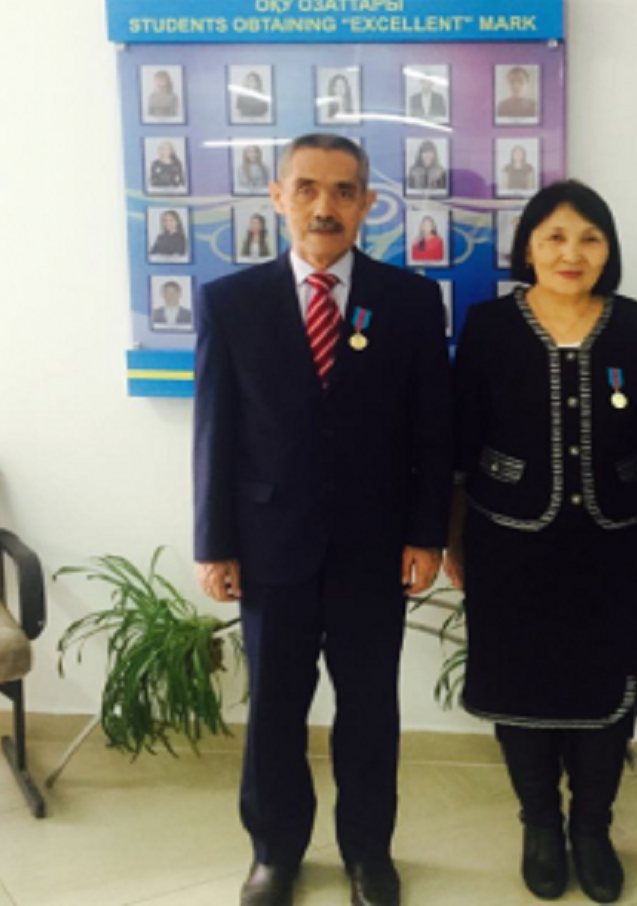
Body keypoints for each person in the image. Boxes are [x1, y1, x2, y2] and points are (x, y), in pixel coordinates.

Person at [193, 133, 451, 906]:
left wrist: (428, 533)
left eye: (343, 191)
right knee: (275, 708)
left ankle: (368, 853)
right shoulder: (230, 302)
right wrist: (214, 544)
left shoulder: (410, 301)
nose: (324, 206)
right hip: (270, 547)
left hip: (376, 548)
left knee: (369, 709)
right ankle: (275, 853)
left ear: (368, 204)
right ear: (277, 196)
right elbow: (215, 432)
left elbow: (431, 431)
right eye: (306, 188)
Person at [447, 180, 637, 904]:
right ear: (528, 250)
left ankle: (593, 830)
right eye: (554, 237)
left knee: (609, 686)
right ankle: (540, 826)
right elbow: (461, 442)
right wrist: (454, 538)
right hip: (509, 540)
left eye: (589, 238)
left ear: (609, 250)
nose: (572, 253)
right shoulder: (488, 326)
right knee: (522, 685)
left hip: (618, 541)